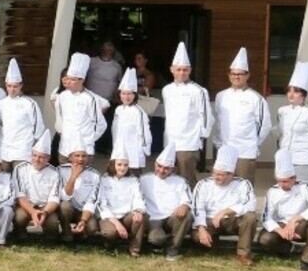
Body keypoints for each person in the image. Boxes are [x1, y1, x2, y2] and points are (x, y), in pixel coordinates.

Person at [211, 48, 273, 181]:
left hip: (245, 151)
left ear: (247, 75)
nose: (236, 77)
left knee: (244, 185)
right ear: (229, 75)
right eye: (233, 73)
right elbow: (219, 121)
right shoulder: (221, 96)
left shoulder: (256, 98)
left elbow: (265, 125)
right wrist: (218, 143)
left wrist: (254, 143)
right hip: (224, 149)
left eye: (240, 74)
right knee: (223, 185)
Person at [260, 149, 308, 271]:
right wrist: (281, 231)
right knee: (265, 239)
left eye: (285, 181)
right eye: (279, 181)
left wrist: (295, 220)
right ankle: (286, 248)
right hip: (282, 224)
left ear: (294, 178)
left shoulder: (305, 186)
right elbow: (266, 218)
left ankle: (307, 260)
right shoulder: (272, 191)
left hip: (301, 224)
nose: (282, 184)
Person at [192, 148, 259, 266]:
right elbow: (198, 209)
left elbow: (250, 204)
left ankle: (243, 254)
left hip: (232, 221)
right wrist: (201, 229)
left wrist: (225, 212)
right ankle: (213, 245)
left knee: (250, 217)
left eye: (220, 174)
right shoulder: (203, 184)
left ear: (231, 174)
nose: (216, 177)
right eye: (214, 173)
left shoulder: (243, 184)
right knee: (197, 236)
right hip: (210, 221)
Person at [159, 43, 212, 185]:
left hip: (188, 143)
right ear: (172, 70)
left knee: (186, 179)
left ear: (190, 71)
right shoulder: (167, 90)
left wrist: (200, 138)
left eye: (185, 70)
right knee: (169, 178)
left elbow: (206, 117)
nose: (182, 73)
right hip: (170, 141)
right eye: (178, 69)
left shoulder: (198, 91)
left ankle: (192, 199)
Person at [140, 144, 195, 261]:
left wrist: (184, 205)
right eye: (159, 166)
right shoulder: (144, 179)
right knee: (156, 239)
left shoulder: (180, 181)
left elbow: (187, 199)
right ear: (155, 164)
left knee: (188, 216)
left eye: (166, 168)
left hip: (173, 217)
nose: (161, 170)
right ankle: (163, 241)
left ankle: (172, 249)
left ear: (172, 169)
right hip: (153, 218)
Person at [90, 147, 148, 256]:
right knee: (110, 233)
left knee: (140, 217)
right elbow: (101, 204)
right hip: (109, 217)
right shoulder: (103, 180)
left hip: (126, 216)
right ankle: (110, 245)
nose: (123, 168)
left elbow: (138, 198)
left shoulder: (133, 180)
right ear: (113, 164)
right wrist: (117, 224)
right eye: (119, 164)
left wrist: (138, 211)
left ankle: (134, 248)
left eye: (125, 165)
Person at [53, 53, 109, 160]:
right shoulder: (62, 96)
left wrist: (88, 140)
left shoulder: (90, 99)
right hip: (64, 148)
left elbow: (101, 124)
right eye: (68, 78)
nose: (68, 82)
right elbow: (60, 119)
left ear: (82, 80)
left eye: (73, 79)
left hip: (83, 151)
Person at [13, 131, 63, 245]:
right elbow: (20, 195)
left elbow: (54, 199)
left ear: (48, 158)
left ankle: (50, 241)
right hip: (26, 205)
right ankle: (20, 234)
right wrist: (32, 211)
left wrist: (44, 212)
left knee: (52, 223)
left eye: (41, 157)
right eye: (34, 155)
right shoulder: (20, 169)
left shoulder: (55, 172)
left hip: (45, 206)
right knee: (19, 218)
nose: (37, 159)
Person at [0, 59, 45, 165]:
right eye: (9, 86)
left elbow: (38, 128)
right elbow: (0, 125)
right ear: (6, 85)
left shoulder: (30, 103)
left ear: (21, 86)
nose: (12, 89)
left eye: (15, 86)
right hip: (5, 151)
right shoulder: (1, 103)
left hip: (23, 151)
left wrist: (33, 147)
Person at [279, 61, 308, 184]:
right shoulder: (282, 111)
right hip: (286, 159)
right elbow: (281, 134)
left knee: (304, 190)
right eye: (289, 91)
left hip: (305, 160)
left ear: (304, 95)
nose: (291, 95)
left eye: (296, 91)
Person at [56, 146, 104, 245]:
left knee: (92, 228)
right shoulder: (60, 170)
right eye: (77, 156)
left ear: (88, 158)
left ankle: (79, 232)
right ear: (70, 157)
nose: (80, 159)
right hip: (67, 209)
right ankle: (66, 232)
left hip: (83, 211)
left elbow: (92, 200)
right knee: (65, 205)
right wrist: (73, 176)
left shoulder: (95, 174)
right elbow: (64, 197)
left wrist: (83, 220)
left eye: (84, 156)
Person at [110, 68, 152, 172]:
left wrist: (144, 151)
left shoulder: (139, 112)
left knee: (133, 175)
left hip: (134, 152)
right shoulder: (118, 109)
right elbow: (115, 130)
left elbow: (145, 133)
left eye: (129, 94)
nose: (126, 97)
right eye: (124, 93)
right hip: (119, 150)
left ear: (135, 95)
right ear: (119, 94)